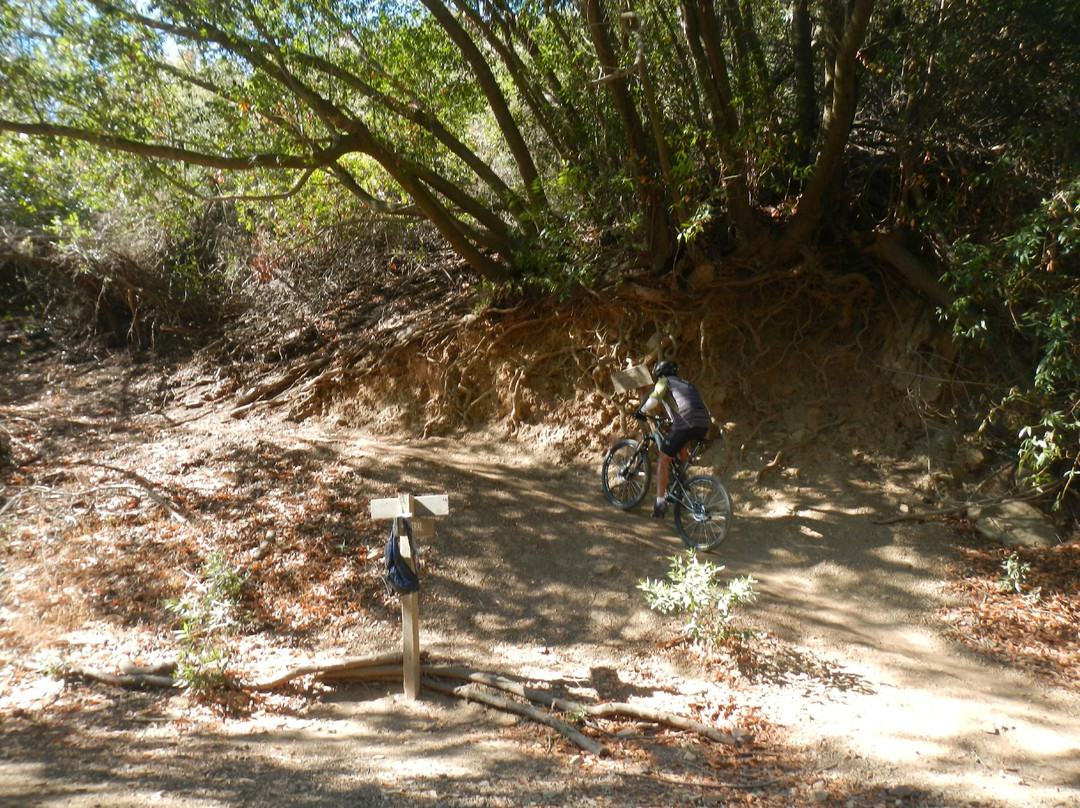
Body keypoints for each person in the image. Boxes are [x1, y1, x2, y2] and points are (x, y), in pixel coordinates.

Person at [634, 360, 712, 518]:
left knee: (663, 458)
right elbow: (688, 404)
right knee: (681, 441)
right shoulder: (687, 384)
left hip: (686, 421)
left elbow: (654, 399)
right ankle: (682, 478)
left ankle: (660, 502)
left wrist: (640, 411)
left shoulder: (664, 381)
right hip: (703, 422)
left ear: (660, 374)